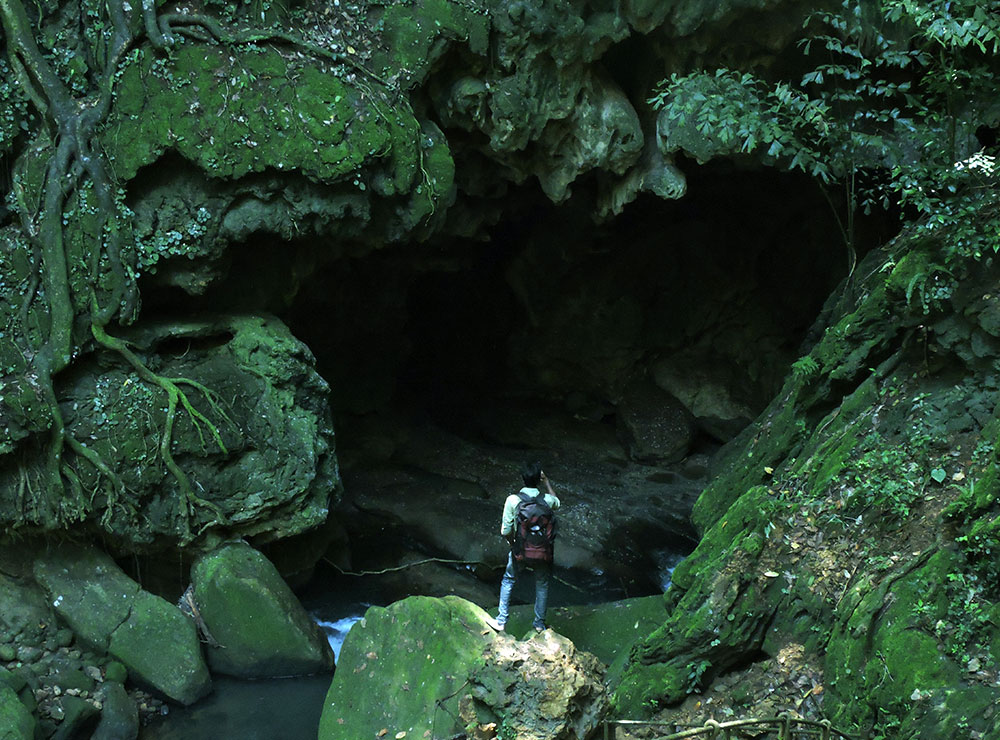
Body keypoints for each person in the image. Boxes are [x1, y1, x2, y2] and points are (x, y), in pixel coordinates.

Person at [491, 461, 560, 633]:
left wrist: (512, 543)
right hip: (543, 552)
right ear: (538, 478)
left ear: (522, 478)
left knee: (508, 580)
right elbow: (557, 501)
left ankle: (501, 621)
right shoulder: (547, 500)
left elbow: (505, 530)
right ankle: (539, 624)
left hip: (520, 550)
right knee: (542, 584)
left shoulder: (513, 500)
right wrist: (547, 482)